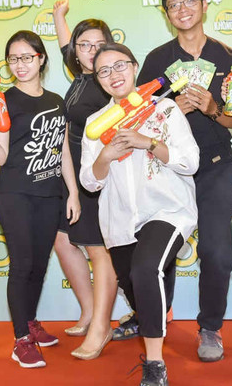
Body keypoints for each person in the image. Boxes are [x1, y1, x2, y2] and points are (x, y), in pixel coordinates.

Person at [80, 43, 199, 386]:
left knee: (146, 268)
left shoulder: (166, 109)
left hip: (167, 209)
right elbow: (90, 181)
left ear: (134, 67)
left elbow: (190, 162)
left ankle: (155, 363)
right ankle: (158, 297)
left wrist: (147, 142)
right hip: (119, 220)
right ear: (98, 79)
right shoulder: (95, 124)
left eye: (120, 66)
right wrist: (105, 155)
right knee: (134, 283)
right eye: (104, 71)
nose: (113, 75)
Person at [136, 0, 232, 362]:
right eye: (174, 5)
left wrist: (213, 109)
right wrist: (169, 112)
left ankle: (210, 327)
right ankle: (157, 318)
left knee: (218, 253)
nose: (183, 9)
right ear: (167, 14)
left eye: (190, 1)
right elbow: (139, 120)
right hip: (170, 170)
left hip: (216, 166)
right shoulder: (156, 60)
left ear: (204, 4)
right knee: (158, 253)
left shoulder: (229, 58)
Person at [0, 30, 79, 368]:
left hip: (50, 195)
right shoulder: (4, 100)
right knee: (22, 265)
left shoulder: (57, 101)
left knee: (39, 265)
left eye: (27, 57)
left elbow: (63, 151)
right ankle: (21, 340)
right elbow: (1, 157)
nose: (20, 65)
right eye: (13, 59)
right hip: (16, 194)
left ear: (41, 58)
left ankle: (31, 323)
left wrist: (73, 192)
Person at [52, 0, 119, 359]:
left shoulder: (108, 81)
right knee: (63, 240)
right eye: (84, 45)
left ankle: (101, 327)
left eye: (99, 44)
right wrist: (58, 16)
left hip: (97, 176)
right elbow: (67, 43)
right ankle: (90, 310)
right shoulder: (81, 75)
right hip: (72, 174)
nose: (92, 51)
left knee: (98, 250)